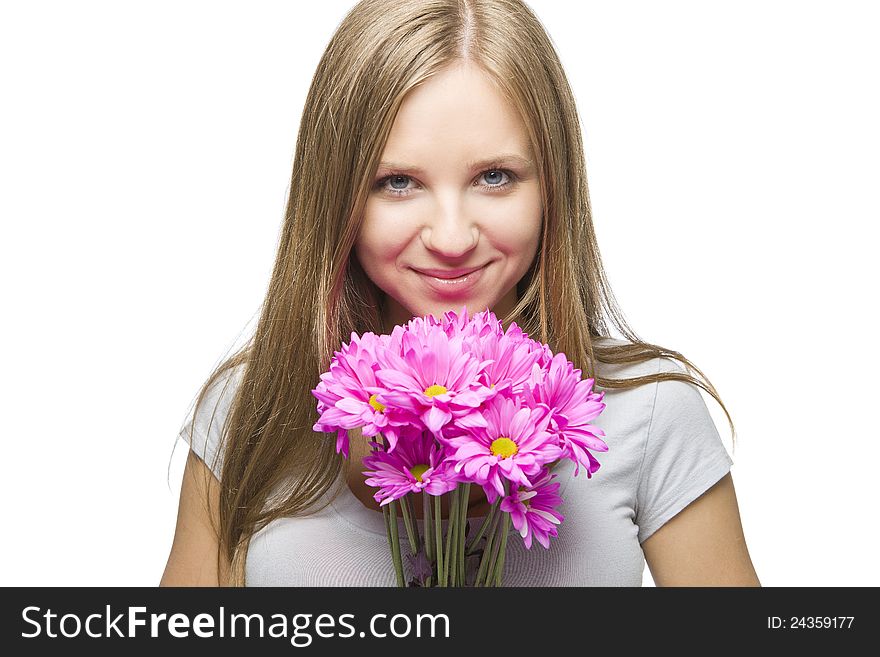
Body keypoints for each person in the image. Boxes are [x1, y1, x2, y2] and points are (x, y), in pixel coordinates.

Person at [161, 0, 759, 587]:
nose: (451, 238)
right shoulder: (249, 412)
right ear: (335, 196)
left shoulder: (652, 414)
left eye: (494, 177)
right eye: (398, 182)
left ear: (553, 185)